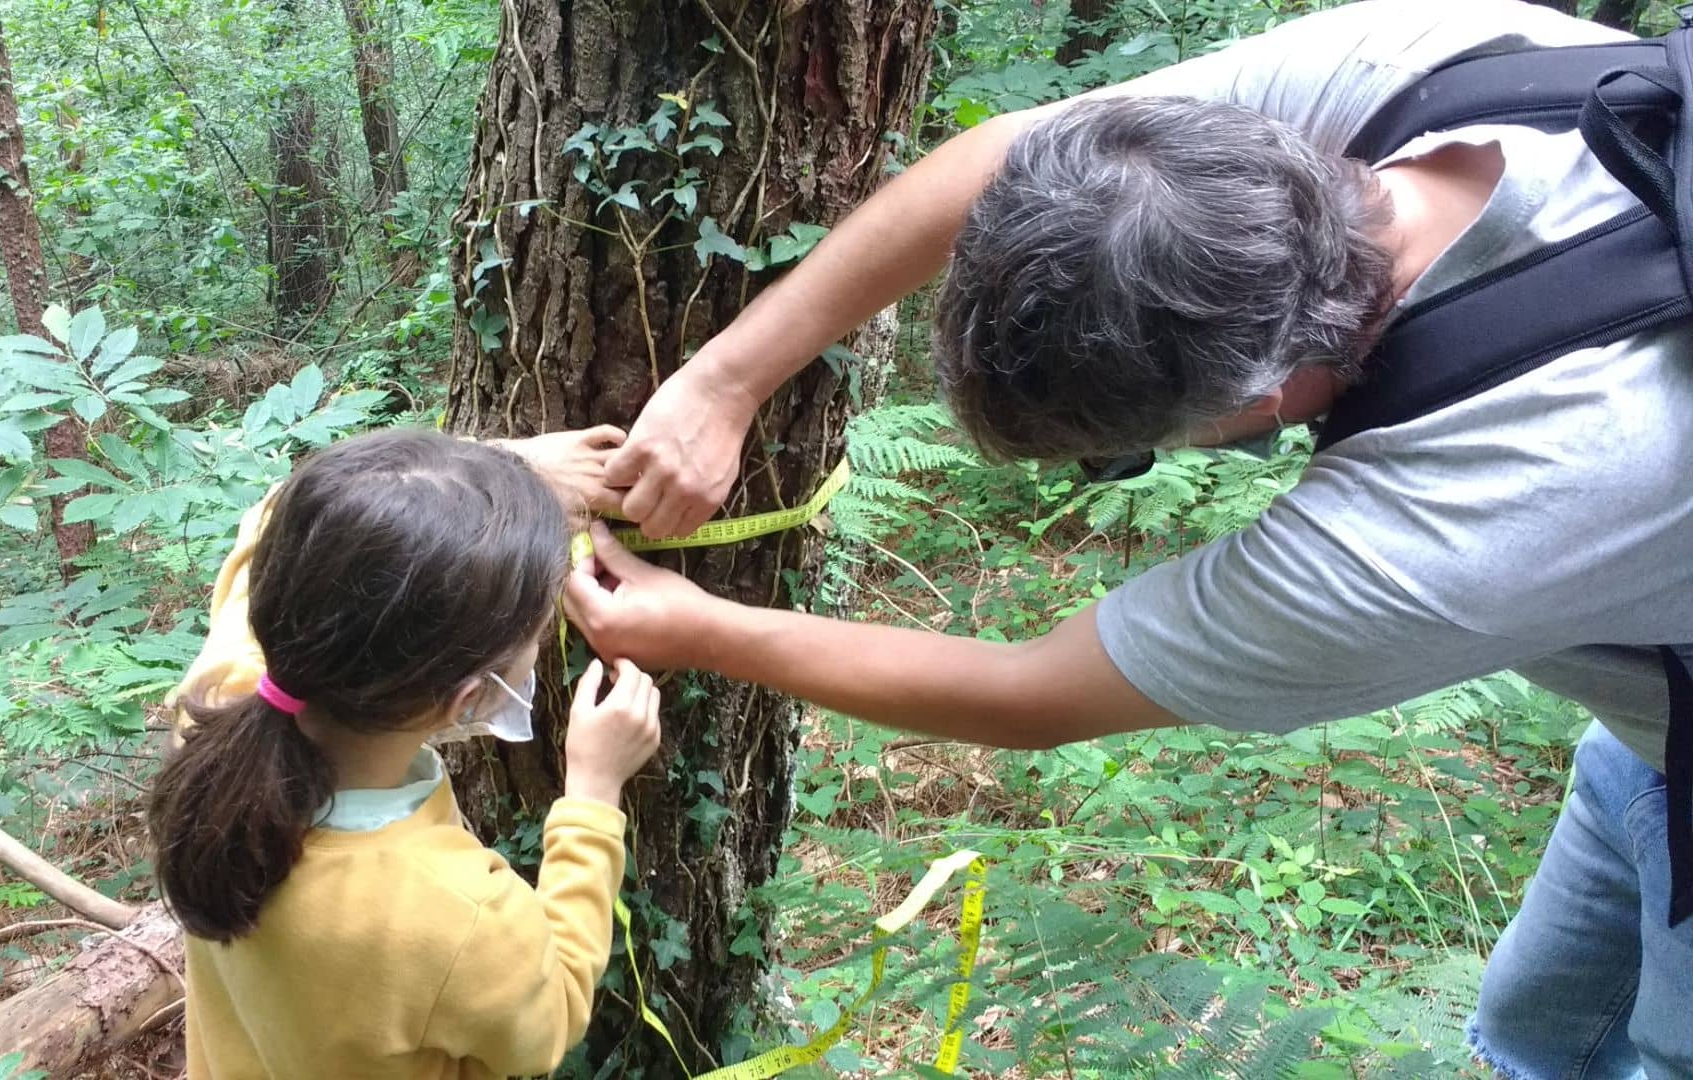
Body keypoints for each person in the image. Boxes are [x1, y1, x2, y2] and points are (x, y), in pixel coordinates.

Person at [570, 0, 1693, 1075]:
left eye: (1125, 453)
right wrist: (726, 378)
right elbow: (1005, 154)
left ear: (1251, 403)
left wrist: (699, 627)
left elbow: (1030, 694)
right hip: (1648, 720)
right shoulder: (1423, 68)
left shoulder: (1464, 519)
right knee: (1543, 1032)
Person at [148, 427, 662, 1080]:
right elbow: (551, 1018)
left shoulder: (215, 709)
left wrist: (499, 473)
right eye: (539, 629)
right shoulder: (454, 912)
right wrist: (592, 792)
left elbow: (280, 512)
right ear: (468, 699)